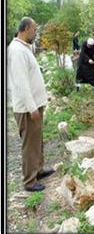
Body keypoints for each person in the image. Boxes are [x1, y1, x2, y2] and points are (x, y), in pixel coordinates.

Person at [7, 17, 55, 192]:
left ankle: (38, 170)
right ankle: (29, 181)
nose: (35, 33)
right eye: (34, 30)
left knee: (37, 141)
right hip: (28, 109)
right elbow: (21, 83)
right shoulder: (17, 51)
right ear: (26, 29)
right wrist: (32, 107)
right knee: (30, 145)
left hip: (35, 104)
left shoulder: (24, 48)